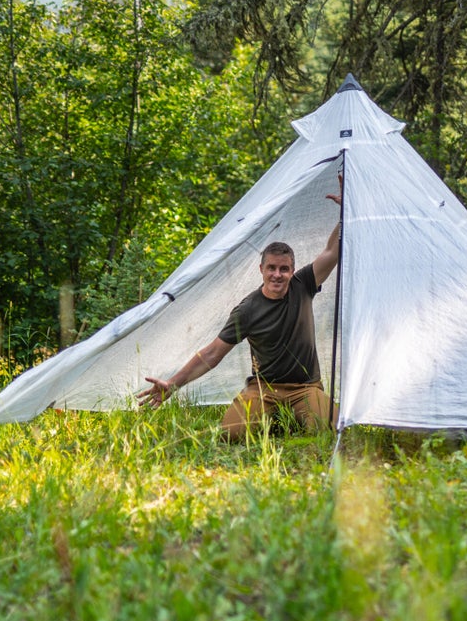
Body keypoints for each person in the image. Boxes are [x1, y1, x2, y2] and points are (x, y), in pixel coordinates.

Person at [137, 186, 342, 441]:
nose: (277, 274)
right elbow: (212, 353)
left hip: (305, 388)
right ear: (261, 269)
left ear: (292, 270)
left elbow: (332, 253)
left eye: (284, 269)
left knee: (331, 429)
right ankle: (275, 418)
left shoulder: (303, 285)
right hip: (262, 389)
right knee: (231, 435)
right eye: (271, 268)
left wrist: (345, 211)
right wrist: (173, 384)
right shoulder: (248, 309)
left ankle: (291, 418)